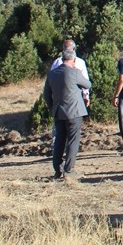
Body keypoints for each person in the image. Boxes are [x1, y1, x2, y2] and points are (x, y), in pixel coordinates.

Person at [43, 46, 92, 181]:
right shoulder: (74, 72)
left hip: (59, 112)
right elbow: (87, 85)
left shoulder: (52, 74)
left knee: (59, 140)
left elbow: (46, 94)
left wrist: (52, 107)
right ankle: (69, 170)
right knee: (73, 140)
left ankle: (57, 170)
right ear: (73, 60)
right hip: (74, 111)